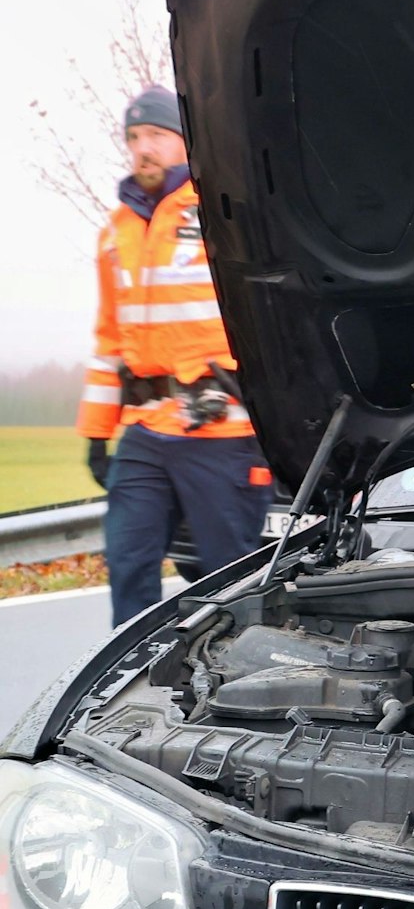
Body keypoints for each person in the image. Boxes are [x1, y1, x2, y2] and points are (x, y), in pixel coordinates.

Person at [78, 86, 274, 626]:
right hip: (145, 428)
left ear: (185, 142)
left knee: (229, 578)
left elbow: (271, 311)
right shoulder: (115, 232)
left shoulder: (221, 212)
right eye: (134, 137)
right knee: (128, 562)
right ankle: (128, 694)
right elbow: (110, 337)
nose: (144, 147)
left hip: (220, 430)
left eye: (158, 136)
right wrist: (97, 432)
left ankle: (240, 690)